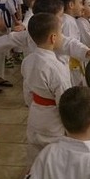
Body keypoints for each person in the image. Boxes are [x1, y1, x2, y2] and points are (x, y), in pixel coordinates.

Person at [20, 11, 72, 162]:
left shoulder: (28, 60)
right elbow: (64, 101)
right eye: (61, 33)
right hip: (53, 121)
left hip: (35, 114)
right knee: (54, 160)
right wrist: (70, 126)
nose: (62, 37)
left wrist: (34, 105)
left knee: (35, 157)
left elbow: (27, 92)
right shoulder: (56, 67)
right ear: (53, 38)